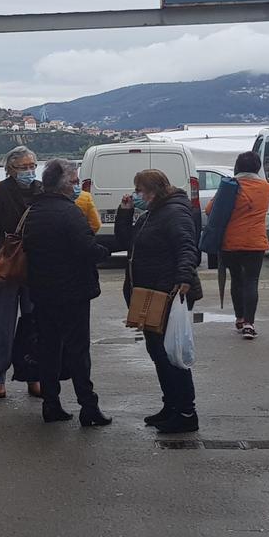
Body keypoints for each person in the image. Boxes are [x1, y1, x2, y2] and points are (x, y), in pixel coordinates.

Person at [23, 159, 113, 426]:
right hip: (72, 291)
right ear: (63, 185)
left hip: (42, 290)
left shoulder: (34, 210)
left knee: (49, 349)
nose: (77, 187)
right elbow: (86, 248)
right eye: (74, 182)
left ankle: (51, 403)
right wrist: (104, 251)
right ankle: (88, 406)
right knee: (77, 351)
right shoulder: (69, 212)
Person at [115, 169, 201, 434]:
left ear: (151, 191)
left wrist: (184, 278)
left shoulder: (174, 212)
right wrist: (126, 212)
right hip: (151, 292)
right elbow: (125, 241)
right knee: (158, 352)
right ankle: (171, 405)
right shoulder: (154, 212)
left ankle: (186, 411)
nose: (137, 195)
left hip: (168, 292)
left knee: (170, 354)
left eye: (139, 191)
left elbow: (187, 246)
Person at [0, 146, 43, 399]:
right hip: (6, 266)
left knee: (34, 323)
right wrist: (1, 254)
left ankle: (33, 373)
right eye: (23, 167)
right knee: (2, 324)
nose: (29, 171)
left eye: (32, 166)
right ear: (10, 169)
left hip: (37, 267)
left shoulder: (42, 190)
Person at [205, 152, 269, 339]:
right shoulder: (266, 188)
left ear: (237, 166)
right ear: (257, 167)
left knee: (236, 279)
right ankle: (250, 324)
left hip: (230, 242)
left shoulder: (230, 186)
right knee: (251, 281)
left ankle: (239, 318)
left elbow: (210, 209)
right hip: (255, 242)